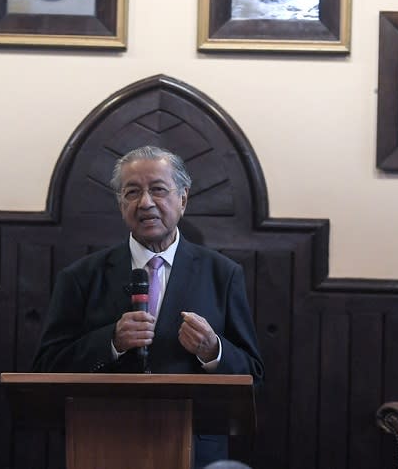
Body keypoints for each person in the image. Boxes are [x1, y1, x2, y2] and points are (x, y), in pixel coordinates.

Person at [32, 146, 264, 467]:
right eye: (132, 192)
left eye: (158, 189)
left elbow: (254, 377)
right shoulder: (80, 277)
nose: (145, 203)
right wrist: (110, 342)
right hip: (101, 444)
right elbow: (46, 367)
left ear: (182, 199)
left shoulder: (222, 274)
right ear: (120, 204)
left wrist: (214, 351)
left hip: (194, 447)